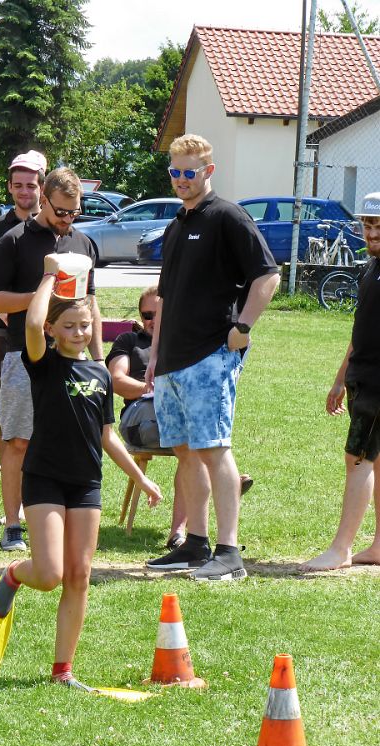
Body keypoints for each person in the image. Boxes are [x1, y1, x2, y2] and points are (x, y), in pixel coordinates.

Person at [0, 261, 161, 690]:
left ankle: (63, 670)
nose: (79, 332)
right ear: (52, 330)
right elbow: (29, 321)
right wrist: (49, 276)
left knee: (79, 575)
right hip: (44, 478)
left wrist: (140, 478)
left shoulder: (100, 373)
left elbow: (107, 436)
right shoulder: (42, 363)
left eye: (84, 325)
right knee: (48, 575)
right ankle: (13, 574)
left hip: (86, 484)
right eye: (69, 325)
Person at [144, 134, 279, 581]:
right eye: (175, 172)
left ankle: (229, 552)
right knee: (185, 451)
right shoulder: (176, 224)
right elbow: (164, 297)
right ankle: (195, 544)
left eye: (190, 172)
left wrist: (243, 328)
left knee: (214, 449)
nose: (182, 180)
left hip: (210, 355)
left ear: (209, 171)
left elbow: (267, 275)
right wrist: (154, 354)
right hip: (171, 361)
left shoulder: (227, 217)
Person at [0, 167, 104, 551]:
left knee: (66, 440)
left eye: (75, 212)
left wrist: (98, 359)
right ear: (44, 200)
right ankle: (12, 525)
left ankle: (62, 515)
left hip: (74, 357)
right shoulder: (13, 241)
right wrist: (42, 296)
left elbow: (92, 305)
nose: (68, 219)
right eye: (61, 211)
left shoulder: (83, 244)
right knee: (18, 440)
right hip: (25, 352)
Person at [108, 286, 253, 550]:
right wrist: (155, 389)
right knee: (197, 435)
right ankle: (223, 481)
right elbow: (116, 380)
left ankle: (179, 534)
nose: (152, 320)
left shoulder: (185, 346)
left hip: (177, 413)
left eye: (158, 314)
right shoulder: (129, 341)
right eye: (147, 314)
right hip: (140, 418)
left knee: (194, 446)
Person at [300, 193, 380, 572]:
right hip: (361, 376)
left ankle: (341, 548)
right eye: (368, 224)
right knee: (376, 461)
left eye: (379, 225)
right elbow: (358, 331)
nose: (373, 231)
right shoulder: (370, 266)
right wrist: (339, 379)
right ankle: (378, 546)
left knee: (358, 457)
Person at [0, 150, 46, 537]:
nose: (24, 191)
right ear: (9, 187)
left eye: (30, 185)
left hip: (47, 340)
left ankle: (35, 504)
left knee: (40, 428)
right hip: (5, 338)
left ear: (42, 186)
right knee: (7, 426)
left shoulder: (54, 229)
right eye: (17, 185)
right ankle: (10, 510)